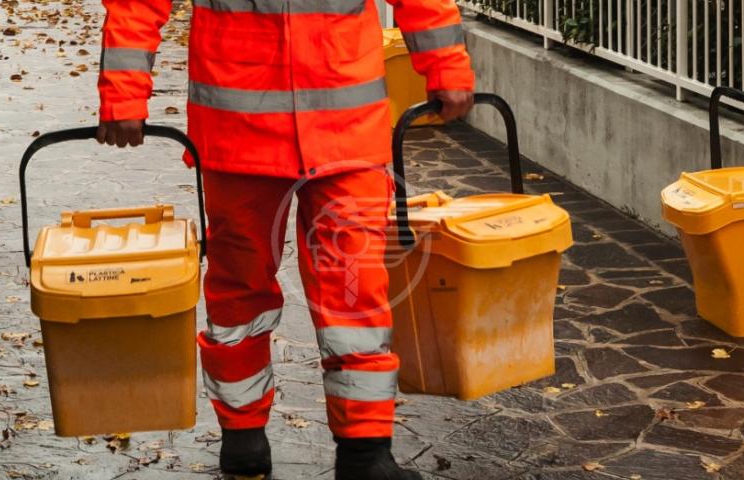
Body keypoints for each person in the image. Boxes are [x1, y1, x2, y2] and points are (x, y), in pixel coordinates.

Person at [95, 0, 474, 477]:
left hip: (342, 135)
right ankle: (243, 437)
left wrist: (447, 66)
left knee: (355, 293)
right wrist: (123, 94)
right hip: (244, 134)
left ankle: (365, 450)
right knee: (240, 292)